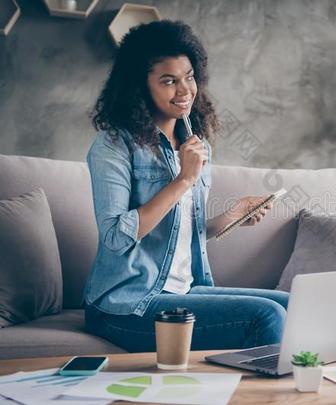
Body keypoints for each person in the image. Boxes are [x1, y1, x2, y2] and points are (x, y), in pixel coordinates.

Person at [83, 20, 288, 352]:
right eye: (169, 81)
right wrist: (183, 180)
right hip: (125, 303)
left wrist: (232, 217)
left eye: (189, 77)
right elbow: (116, 236)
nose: (184, 91)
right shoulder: (113, 146)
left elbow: (177, 232)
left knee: (293, 305)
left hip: (184, 290)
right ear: (140, 86)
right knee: (265, 317)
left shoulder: (194, 142)